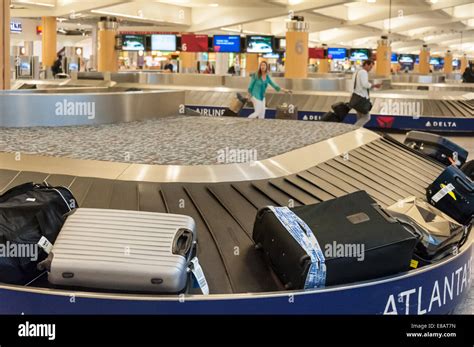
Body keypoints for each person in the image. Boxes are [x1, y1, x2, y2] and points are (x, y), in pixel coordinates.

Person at [349, 59, 381, 127]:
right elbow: (365, 84)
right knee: (367, 117)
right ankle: (354, 129)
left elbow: (353, 84)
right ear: (366, 64)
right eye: (370, 67)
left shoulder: (356, 72)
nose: (370, 69)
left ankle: (358, 134)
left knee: (360, 117)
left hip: (356, 98)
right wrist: (374, 85)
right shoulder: (363, 72)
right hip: (361, 98)